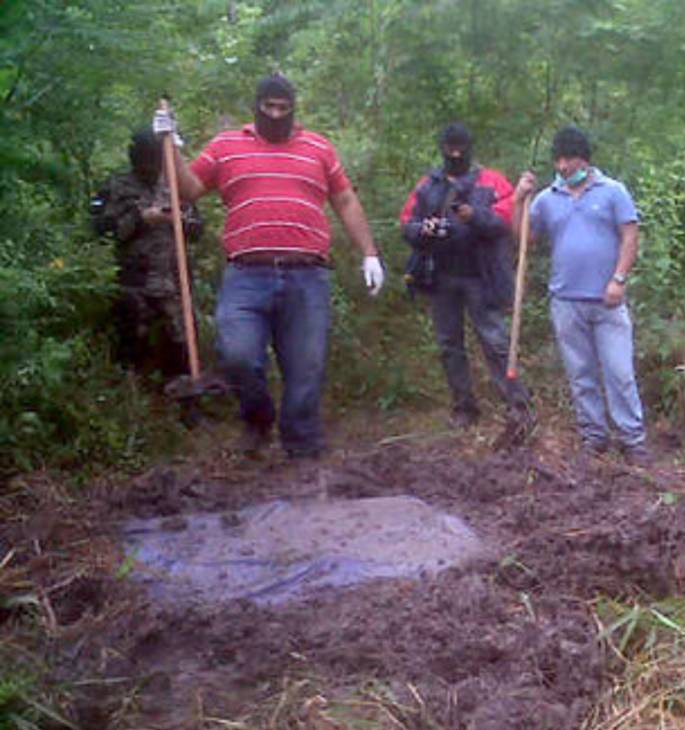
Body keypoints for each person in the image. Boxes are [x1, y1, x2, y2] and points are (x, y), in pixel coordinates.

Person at [153, 74, 385, 459]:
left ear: (293, 108)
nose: (276, 114)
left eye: (283, 107)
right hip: (246, 274)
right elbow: (188, 189)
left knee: (306, 365)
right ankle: (257, 421)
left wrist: (370, 253)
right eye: (269, 106)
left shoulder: (318, 147)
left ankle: (302, 445)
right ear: (257, 106)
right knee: (237, 354)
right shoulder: (226, 145)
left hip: (308, 274)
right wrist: (171, 145)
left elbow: (345, 200)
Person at [513, 126, 648, 464]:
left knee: (619, 373)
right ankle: (594, 437)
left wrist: (618, 279)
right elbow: (524, 239)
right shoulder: (546, 199)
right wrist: (518, 200)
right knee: (580, 375)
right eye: (558, 160)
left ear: (584, 159)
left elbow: (630, 237)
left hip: (608, 301)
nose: (563, 166)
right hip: (565, 302)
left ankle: (633, 440)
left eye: (569, 159)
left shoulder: (613, 191)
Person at [399, 123, 532, 429]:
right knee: (449, 344)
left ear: (470, 149)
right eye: (450, 148)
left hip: (482, 276)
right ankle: (464, 407)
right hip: (440, 276)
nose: (455, 154)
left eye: (461, 148)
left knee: (495, 341)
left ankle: (518, 404)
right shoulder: (427, 185)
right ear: (442, 148)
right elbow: (407, 223)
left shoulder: (492, 181)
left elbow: (506, 221)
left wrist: (474, 216)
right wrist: (423, 229)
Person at [91, 129, 203, 381]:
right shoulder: (115, 187)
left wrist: (180, 219)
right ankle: (131, 394)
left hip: (174, 279)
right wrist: (140, 219)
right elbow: (103, 231)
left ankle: (183, 393)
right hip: (134, 280)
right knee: (132, 345)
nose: (151, 168)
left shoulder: (175, 186)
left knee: (180, 344)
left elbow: (197, 230)